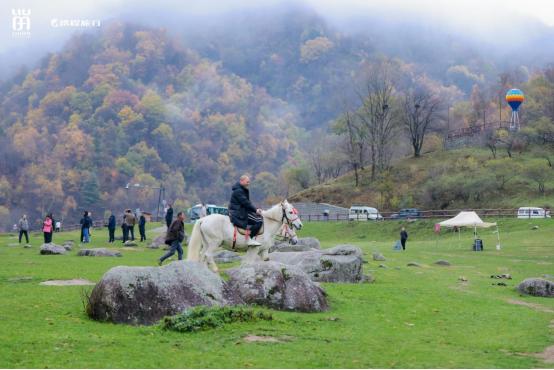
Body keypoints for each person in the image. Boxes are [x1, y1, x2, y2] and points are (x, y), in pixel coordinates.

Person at [228, 175, 263, 247]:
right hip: (238, 213)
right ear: (241, 181)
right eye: (247, 182)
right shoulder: (238, 191)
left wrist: (255, 210)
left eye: (249, 182)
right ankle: (249, 239)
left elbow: (247, 203)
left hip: (241, 211)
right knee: (259, 220)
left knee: (258, 218)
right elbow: (246, 203)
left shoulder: (241, 189)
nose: (248, 183)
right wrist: (256, 210)